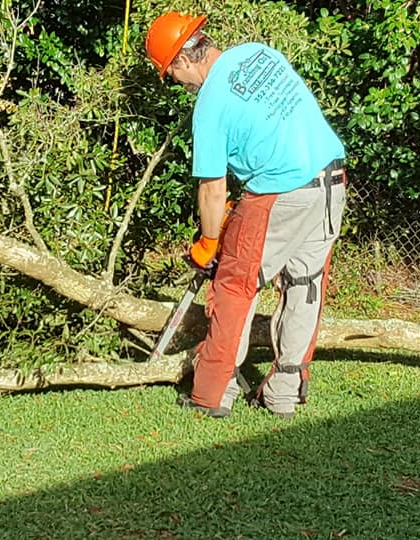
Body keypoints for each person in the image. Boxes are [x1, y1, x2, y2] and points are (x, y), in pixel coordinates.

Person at [145, 12, 347, 419]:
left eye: (171, 75)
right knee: (305, 283)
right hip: (332, 177)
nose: (177, 84)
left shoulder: (209, 105)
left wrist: (208, 242)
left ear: (183, 61)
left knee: (235, 284)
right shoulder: (258, 54)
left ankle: (213, 394)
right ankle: (284, 393)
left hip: (282, 189)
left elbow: (212, 188)